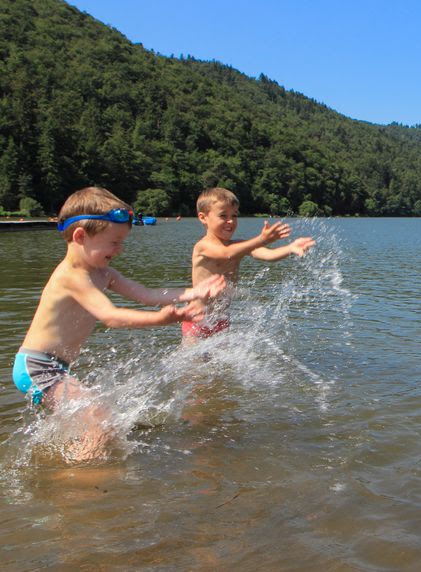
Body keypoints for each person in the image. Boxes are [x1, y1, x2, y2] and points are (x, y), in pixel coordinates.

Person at [11, 187, 226, 460]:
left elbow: (146, 295)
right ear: (81, 236)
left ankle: (72, 462)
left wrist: (193, 292)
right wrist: (161, 319)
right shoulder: (73, 276)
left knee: (100, 418)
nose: (120, 249)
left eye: (122, 242)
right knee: (99, 418)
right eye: (114, 242)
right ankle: (77, 480)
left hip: (56, 367)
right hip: (37, 367)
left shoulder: (103, 273)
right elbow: (110, 316)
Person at [185, 187, 315, 339]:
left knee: (220, 362)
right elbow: (226, 254)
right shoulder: (203, 246)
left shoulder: (239, 245)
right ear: (203, 217)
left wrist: (290, 248)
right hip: (197, 319)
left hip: (221, 320)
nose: (230, 221)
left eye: (234, 215)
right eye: (223, 216)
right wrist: (261, 239)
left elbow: (269, 255)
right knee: (195, 361)